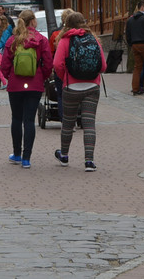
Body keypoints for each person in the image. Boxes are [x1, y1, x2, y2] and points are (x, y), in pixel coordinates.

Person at [52, 11, 106, 172]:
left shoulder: (65, 40)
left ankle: (65, 156)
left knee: (68, 123)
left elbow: (57, 64)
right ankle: (89, 161)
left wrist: (66, 77)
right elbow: (103, 66)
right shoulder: (94, 39)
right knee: (89, 123)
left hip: (71, 87)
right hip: (92, 87)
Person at [0, 9, 54, 168]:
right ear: (33, 21)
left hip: (16, 85)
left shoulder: (13, 40)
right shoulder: (41, 40)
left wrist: (10, 77)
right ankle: (26, 158)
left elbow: (4, 66)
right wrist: (42, 77)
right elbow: (48, 64)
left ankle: (16, 154)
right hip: (34, 84)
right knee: (29, 120)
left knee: (16, 119)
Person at [125, 1, 144, 96]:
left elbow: (127, 34)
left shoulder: (130, 20)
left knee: (137, 67)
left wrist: (131, 43)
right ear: (141, 7)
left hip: (135, 45)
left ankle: (135, 88)